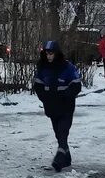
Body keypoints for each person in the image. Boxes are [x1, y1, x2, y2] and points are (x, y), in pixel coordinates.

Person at [32, 40, 81, 170]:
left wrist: (66, 94)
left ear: (57, 53)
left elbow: (76, 85)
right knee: (58, 133)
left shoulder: (67, 67)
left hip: (66, 106)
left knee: (62, 131)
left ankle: (59, 158)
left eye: (51, 53)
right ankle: (67, 157)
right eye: (47, 53)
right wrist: (45, 97)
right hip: (51, 106)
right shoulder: (42, 68)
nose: (49, 56)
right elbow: (38, 85)